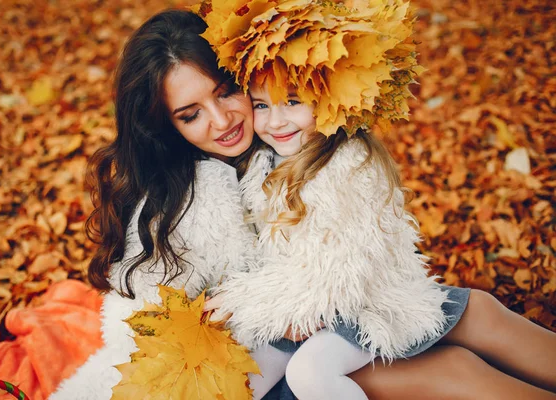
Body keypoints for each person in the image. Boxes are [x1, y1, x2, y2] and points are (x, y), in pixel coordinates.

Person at [50, 8, 554, 400]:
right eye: (190, 114)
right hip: (262, 368)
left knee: (473, 314)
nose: (222, 119)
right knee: (445, 370)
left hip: (334, 310)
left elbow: (343, 231)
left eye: (226, 91)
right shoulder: (173, 207)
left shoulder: (281, 134)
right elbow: (148, 329)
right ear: (167, 126)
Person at [197, 1, 556, 399]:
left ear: (329, 100)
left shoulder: (346, 164)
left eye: (293, 102)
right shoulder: (266, 161)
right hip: (301, 306)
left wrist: (251, 303)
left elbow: (340, 268)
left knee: (310, 372)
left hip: (358, 305)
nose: (275, 121)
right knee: (242, 381)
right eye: (261, 105)